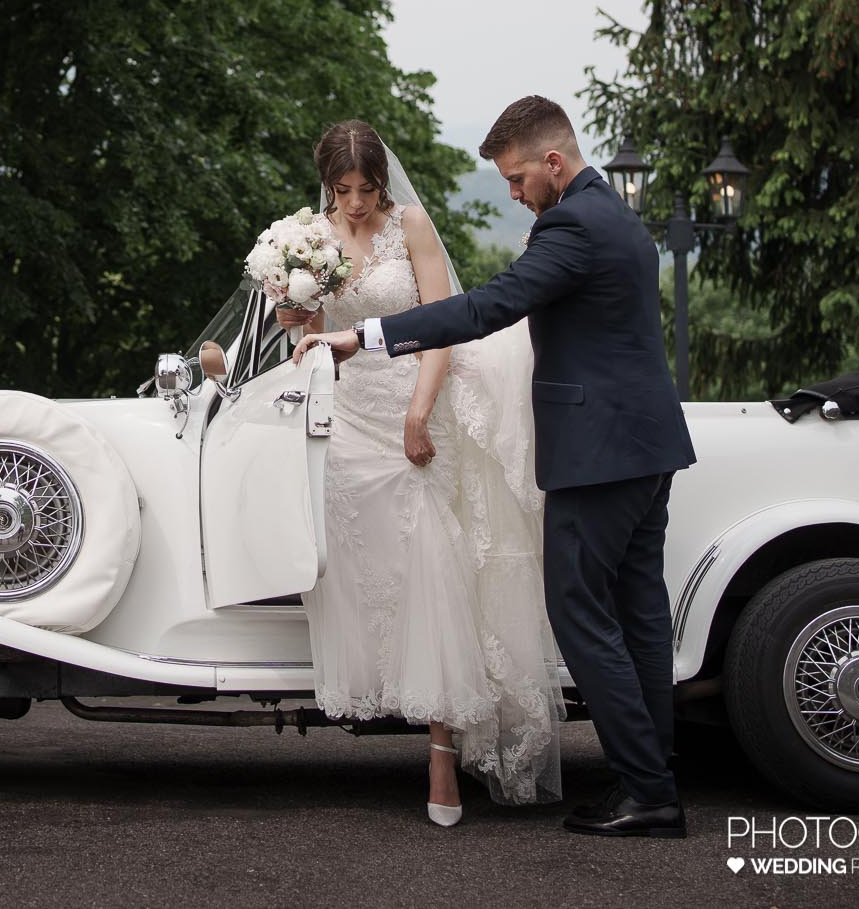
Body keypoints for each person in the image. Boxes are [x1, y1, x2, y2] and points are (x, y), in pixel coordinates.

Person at [295, 97, 697, 839]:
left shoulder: (572, 223)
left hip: (598, 454)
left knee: (582, 616)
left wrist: (369, 336)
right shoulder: (613, 210)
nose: (512, 193)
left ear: (553, 162)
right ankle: (652, 777)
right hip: (647, 445)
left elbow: (493, 305)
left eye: (516, 178)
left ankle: (647, 790)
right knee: (638, 615)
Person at [279, 120, 560, 828]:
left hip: (413, 396)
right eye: (341, 190)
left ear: (382, 181)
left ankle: (442, 753)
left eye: (364, 189)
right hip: (344, 417)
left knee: (432, 568)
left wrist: (419, 409)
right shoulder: (308, 236)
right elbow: (303, 334)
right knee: (368, 575)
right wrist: (292, 305)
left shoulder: (412, 225)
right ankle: (389, 698)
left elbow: (444, 322)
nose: (352, 204)